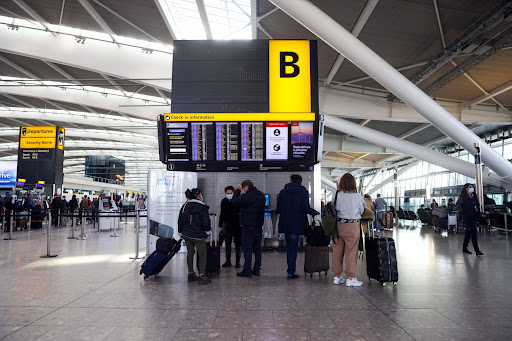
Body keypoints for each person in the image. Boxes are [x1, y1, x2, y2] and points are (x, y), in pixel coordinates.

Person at [276, 174, 319, 279]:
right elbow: (305, 207)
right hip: (297, 224)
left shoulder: (282, 192)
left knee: (289, 247)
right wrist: (314, 212)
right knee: (293, 248)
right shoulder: (303, 192)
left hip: (285, 224)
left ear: (290, 180)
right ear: (300, 181)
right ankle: (291, 271)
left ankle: (290, 271)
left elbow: (279, 209)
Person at [333, 173, 365, 287]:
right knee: (351, 252)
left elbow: (333, 208)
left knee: (337, 252)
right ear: (353, 183)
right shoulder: (357, 196)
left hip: (337, 226)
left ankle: (337, 276)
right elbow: (362, 210)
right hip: (352, 226)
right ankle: (350, 278)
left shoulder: (336, 194)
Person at [232, 179, 266, 278]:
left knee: (247, 248)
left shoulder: (246, 196)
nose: (243, 190)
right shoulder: (261, 195)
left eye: (243, 189)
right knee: (257, 248)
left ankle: (247, 270)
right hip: (258, 225)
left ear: (246, 187)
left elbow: (234, 202)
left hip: (248, 225)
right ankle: (256, 270)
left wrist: (237, 191)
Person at [178, 188, 211, 285]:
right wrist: (208, 231)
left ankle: (191, 274)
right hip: (199, 235)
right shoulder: (203, 207)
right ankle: (202, 276)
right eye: (201, 194)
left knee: (190, 253)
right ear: (198, 196)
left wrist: (180, 232)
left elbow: (180, 219)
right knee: (202, 254)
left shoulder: (185, 206)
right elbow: (205, 222)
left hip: (187, 234)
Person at [219, 186, 242, 268]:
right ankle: (228, 261)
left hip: (237, 225)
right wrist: (220, 225)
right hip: (226, 225)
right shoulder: (224, 201)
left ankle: (237, 262)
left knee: (237, 244)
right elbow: (221, 213)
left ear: (234, 193)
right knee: (227, 243)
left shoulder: (237, 200)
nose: (229, 194)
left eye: (231, 193)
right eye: (227, 193)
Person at [457, 183, 483, 256]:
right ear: (466, 188)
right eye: (470, 187)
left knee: (468, 232)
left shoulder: (474, 196)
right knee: (474, 230)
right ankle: (477, 250)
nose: (472, 188)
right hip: (466, 216)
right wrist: (463, 212)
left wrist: (478, 213)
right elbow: (458, 205)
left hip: (474, 215)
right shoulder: (463, 196)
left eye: (472, 187)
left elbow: (477, 204)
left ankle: (464, 248)